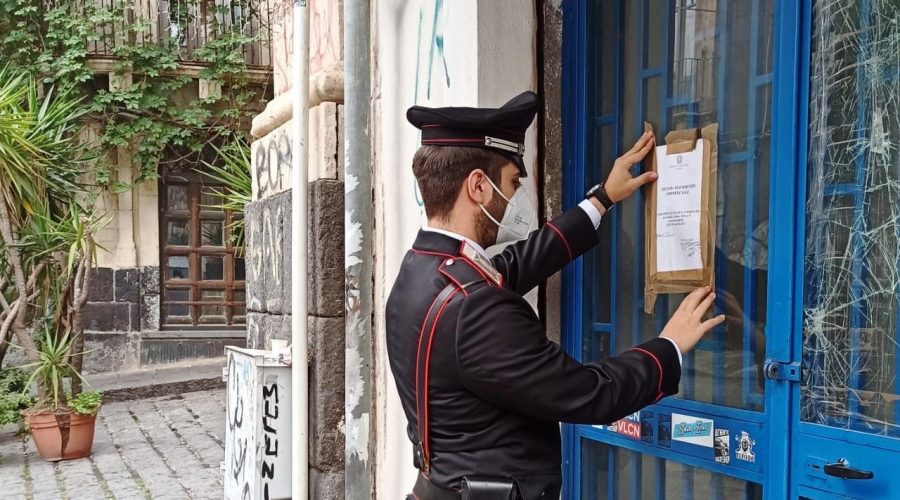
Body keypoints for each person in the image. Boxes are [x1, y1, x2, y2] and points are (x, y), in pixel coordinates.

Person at [386, 91, 724, 500]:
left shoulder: (420, 269)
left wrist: (601, 200)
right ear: (478, 186)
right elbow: (589, 393)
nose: (516, 199)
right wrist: (669, 346)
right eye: (512, 183)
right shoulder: (474, 305)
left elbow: (513, 265)